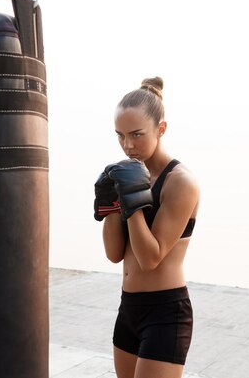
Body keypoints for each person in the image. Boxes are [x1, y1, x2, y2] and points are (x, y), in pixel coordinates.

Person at [93, 76, 200, 378]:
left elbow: (151, 259)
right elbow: (115, 254)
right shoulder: (126, 175)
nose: (128, 145)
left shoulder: (180, 182)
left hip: (165, 313)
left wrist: (133, 202)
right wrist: (113, 205)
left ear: (161, 129)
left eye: (137, 135)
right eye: (120, 135)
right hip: (128, 309)